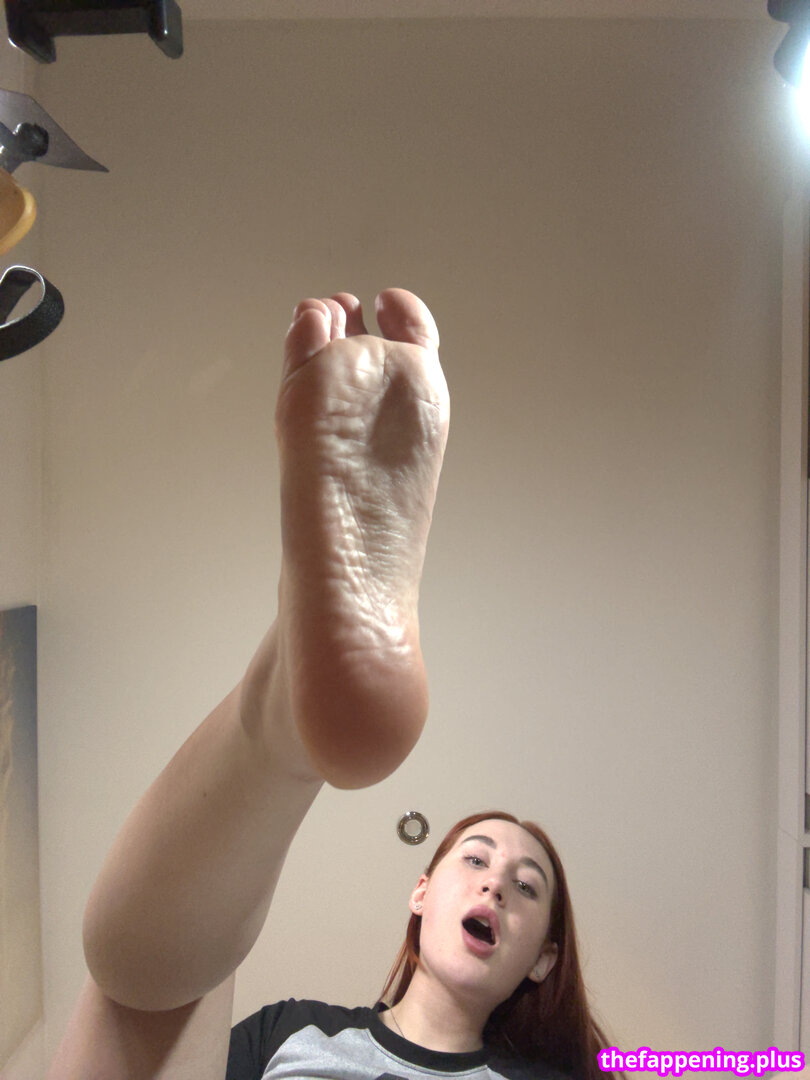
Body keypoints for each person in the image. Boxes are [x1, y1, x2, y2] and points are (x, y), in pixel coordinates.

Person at [47, 290, 620, 1080]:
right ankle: (278, 721)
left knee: (156, 981)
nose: (496, 885)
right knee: (163, 984)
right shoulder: (293, 1034)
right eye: (475, 861)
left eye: (526, 887)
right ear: (420, 895)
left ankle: (277, 716)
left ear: (543, 960)